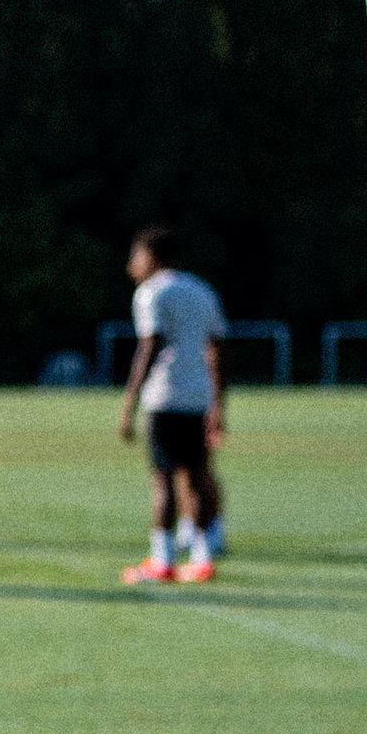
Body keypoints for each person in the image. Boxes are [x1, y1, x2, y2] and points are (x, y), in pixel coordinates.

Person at [117, 228, 228, 585]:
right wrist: (218, 402)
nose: (131, 265)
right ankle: (201, 556)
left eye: (136, 256)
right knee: (195, 478)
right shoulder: (202, 290)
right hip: (198, 396)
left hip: (164, 396)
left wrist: (129, 402)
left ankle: (162, 559)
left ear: (153, 257)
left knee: (162, 479)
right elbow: (216, 352)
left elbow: (149, 346)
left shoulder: (151, 293)